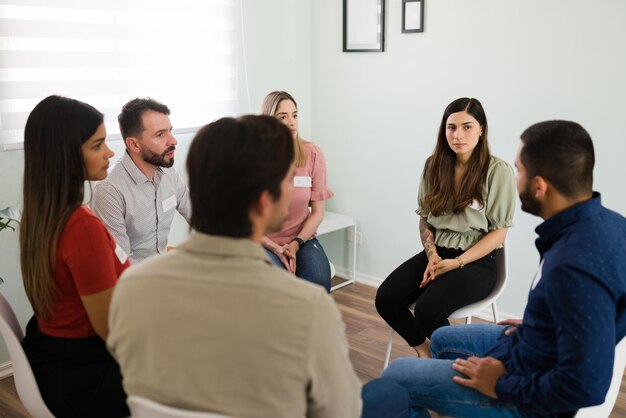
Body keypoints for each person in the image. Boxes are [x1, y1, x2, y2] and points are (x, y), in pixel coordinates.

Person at [107, 115, 410, 418]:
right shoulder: (308, 308)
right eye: (287, 180)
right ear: (266, 202)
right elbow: (340, 412)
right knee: (395, 390)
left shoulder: (131, 289)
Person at [381, 120, 626, 417]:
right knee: (443, 339)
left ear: (539, 187)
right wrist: (549, 324)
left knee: (396, 378)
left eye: (519, 171)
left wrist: (502, 385)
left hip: (528, 393)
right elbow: (599, 311)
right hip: (537, 345)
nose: (514, 180)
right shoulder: (610, 224)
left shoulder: (572, 266)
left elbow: (587, 386)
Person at [375, 97, 516, 358]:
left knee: (428, 309)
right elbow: (425, 218)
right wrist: (432, 255)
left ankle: (463, 365)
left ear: (481, 129)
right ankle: (426, 351)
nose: (458, 135)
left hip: (478, 261)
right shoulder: (434, 166)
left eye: (467, 126)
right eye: (451, 127)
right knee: (386, 299)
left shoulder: (498, 171)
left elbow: (499, 231)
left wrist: (458, 262)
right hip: (438, 253)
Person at [19, 95, 129, 418]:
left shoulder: (40, 215)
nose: (110, 152)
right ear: (64, 155)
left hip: (55, 364)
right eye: (97, 146)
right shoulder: (81, 227)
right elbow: (111, 331)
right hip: (87, 379)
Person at [91, 97, 191, 264]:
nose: (173, 141)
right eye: (160, 135)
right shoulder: (108, 190)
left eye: (170, 131)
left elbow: (200, 217)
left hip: (163, 268)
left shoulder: (168, 173)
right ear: (134, 145)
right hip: (137, 282)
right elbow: (121, 263)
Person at [260, 91, 334, 292]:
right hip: (263, 242)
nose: (292, 122)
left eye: (295, 115)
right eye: (282, 117)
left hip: (302, 237)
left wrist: (296, 243)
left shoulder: (312, 153)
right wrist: (276, 248)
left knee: (318, 283)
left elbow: (318, 212)